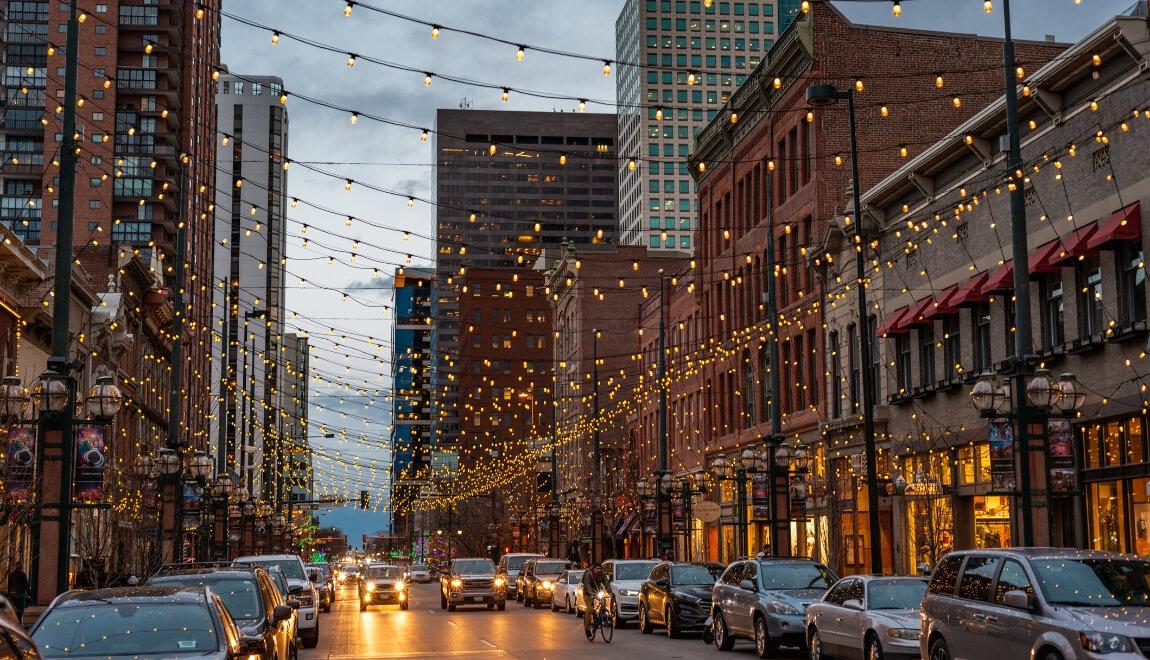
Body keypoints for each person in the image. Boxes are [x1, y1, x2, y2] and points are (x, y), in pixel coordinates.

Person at [580, 563, 611, 638]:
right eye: (597, 568)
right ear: (593, 569)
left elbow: (606, 584)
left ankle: (603, 617)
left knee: (603, 602)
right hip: (588, 592)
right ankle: (587, 628)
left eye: (600, 568)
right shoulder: (588, 575)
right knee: (590, 609)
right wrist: (591, 593)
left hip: (597, 590)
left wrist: (610, 592)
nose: (598, 570)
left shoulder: (602, 575)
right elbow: (587, 586)